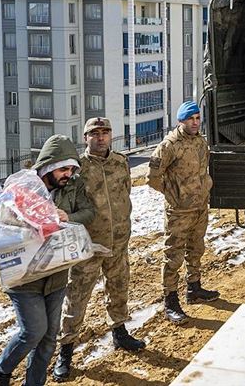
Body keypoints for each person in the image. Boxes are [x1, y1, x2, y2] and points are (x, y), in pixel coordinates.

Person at [0, 135, 95, 386]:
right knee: (33, 332)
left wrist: (65, 216)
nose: (67, 174)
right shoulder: (22, 189)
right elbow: (3, 224)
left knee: (49, 337)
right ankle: (1, 372)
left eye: (71, 169)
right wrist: (36, 220)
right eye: (63, 169)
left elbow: (88, 213)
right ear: (48, 167)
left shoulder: (71, 187)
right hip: (25, 276)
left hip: (56, 273)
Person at [52, 118, 145, 382]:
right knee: (77, 297)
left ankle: (120, 332)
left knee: (119, 287)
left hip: (118, 241)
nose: (101, 138)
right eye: (95, 133)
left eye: (105, 133)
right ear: (85, 138)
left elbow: (126, 194)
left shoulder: (120, 162)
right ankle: (66, 350)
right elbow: (67, 205)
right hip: (88, 246)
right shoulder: (77, 169)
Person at [148, 101, 220, 324]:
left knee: (196, 248)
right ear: (181, 121)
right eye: (191, 119)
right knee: (173, 255)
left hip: (199, 207)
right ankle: (170, 301)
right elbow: (153, 178)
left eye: (198, 118)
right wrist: (174, 195)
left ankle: (194, 288)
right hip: (179, 212)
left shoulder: (200, 142)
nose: (196, 122)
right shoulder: (169, 145)